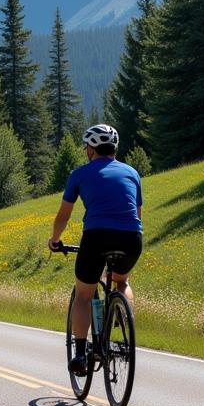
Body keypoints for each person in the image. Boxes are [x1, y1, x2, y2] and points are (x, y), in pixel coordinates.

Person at [48, 124, 143, 376]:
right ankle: (123, 319)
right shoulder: (132, 172)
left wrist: (55, 240)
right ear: (114, 148)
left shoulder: (79, 174)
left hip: (96, 236)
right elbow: (138, 215)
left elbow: (63, 216)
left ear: (90, 149)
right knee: (121, 282)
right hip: (132, 237)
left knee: (84, 294)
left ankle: (80, 354)